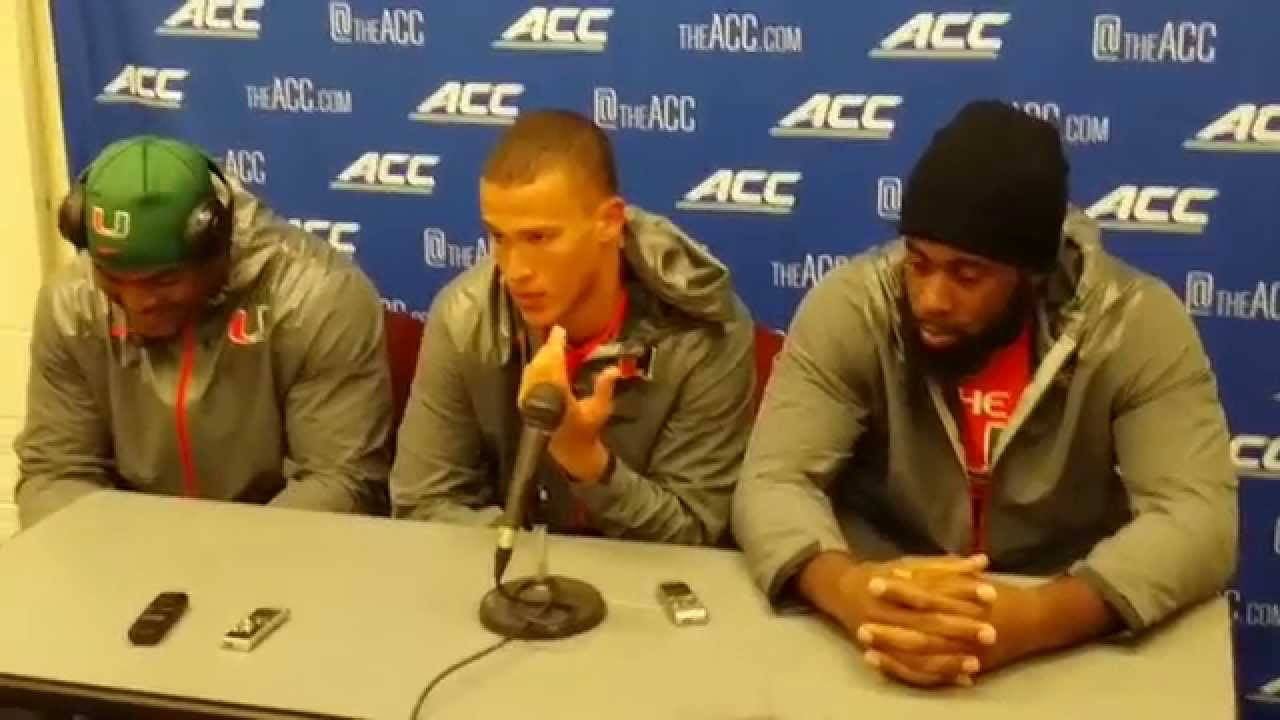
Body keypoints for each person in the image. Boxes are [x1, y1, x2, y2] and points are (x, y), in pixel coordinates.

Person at [732, 100, 1237, 687]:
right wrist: (850, 590)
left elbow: (1199, 518)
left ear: (1032, 273)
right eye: (917, 263)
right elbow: (773, 480)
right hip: (882, 614)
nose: (931, 298)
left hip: (1061, 621)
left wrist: (1036, 616)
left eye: (966, 275)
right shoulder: (856, 307)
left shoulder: (1133, 323)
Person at [391, 109, 754, 545]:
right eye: (499, 238)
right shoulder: (464, 317)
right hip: (507, 589)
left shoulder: (704, 331)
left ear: (609, 221)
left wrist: (589, 464)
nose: (514, 270)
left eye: (539, 238)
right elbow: (422, 504)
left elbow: (696, 533)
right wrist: (540, 568)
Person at [14, 135, 392, 527]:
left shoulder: (317, 297)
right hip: (130, 554)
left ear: (216, 245)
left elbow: (340, 483)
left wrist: (207, 562)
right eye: (112, 277)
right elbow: (56, 473)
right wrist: (131, 554)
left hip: (279, 556)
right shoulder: (71, 304)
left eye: (163, 281)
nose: (137, 302)